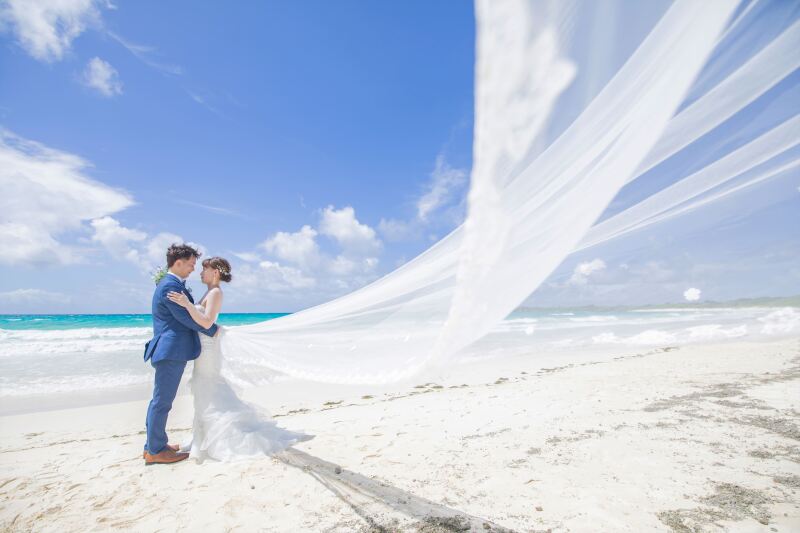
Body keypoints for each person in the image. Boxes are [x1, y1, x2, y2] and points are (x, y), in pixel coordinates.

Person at [166, 255, 310, 462]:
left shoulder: (216, 293)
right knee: (203, 389)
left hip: (208, 350)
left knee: (207, 388)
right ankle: (202, 436)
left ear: (215, 272)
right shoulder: (209, 292)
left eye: (204, 269)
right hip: (203, 350)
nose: (200, 272)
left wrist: (187, 305)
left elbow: (207, 323)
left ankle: (219, 439)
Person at [143, 244, 218, 465]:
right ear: (178, 263)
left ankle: (154, 445)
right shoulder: (169, 286)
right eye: (190, 264)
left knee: (159, 401)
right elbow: (185, 317)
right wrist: (214, 331)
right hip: (171, 350)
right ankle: (155, 451)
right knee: (162, 402)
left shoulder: (171, 284)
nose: (193, 269)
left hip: (170, 349)